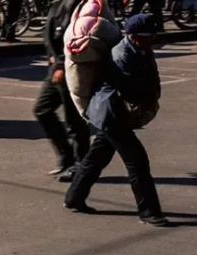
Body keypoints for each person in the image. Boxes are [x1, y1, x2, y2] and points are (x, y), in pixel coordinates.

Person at [64, 14, 167, 226]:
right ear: (134, 36)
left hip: (113, 113)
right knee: (137, 161)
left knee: (96, 159)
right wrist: (148, 99)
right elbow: (134, 88)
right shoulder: (121, 55)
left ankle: (74, 198)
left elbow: (151, 79)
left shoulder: (142, 49)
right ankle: (149, 212)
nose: (151, 41)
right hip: (111, 113)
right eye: (147, 37)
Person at [33, 0, 89, 181]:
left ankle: (81, 165)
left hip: (68, 69)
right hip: (56, 68)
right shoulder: (59, 2)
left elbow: (70, 38)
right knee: (42, 110)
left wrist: (60, 66)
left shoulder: (72, 1)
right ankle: (66, 157)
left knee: (74, 121)